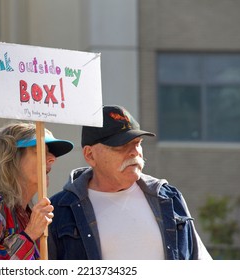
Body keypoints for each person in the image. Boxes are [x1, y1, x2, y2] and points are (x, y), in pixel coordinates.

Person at [48, 105, 212, 260]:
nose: (134, 152)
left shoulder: (169, 197)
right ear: (90, 154)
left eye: (137, 143)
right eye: (120, 146)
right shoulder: (58, 210)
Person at [0, 122, 73, 260]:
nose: (52, 159)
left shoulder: (25, 214)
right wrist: (29, 235)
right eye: (39, 151)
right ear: (11, 159)